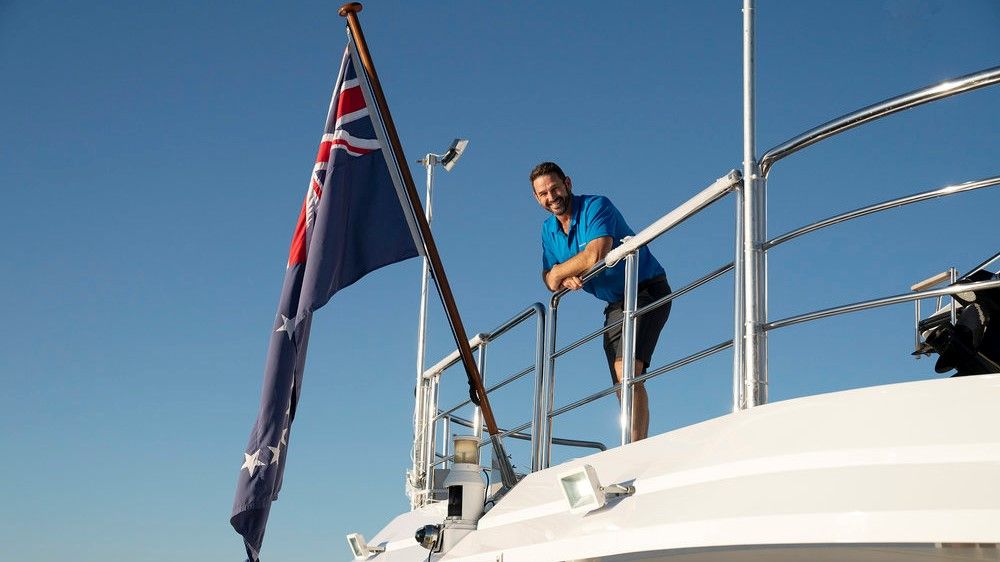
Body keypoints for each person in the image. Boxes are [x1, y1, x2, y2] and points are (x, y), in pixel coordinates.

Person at [530, 161, 671, 441]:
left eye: (554, 188)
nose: (551, 197)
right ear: (537, 198)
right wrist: (563, 274)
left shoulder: (596, 205)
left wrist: (563, 270)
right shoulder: (548, 229)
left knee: (627, 368)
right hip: (616, 304)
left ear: (567, 183)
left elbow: (596, 254)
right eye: (543, 194)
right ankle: (632, 443)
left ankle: (635, 446)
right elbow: (548, 280)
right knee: (621, 382)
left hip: (646, 289)